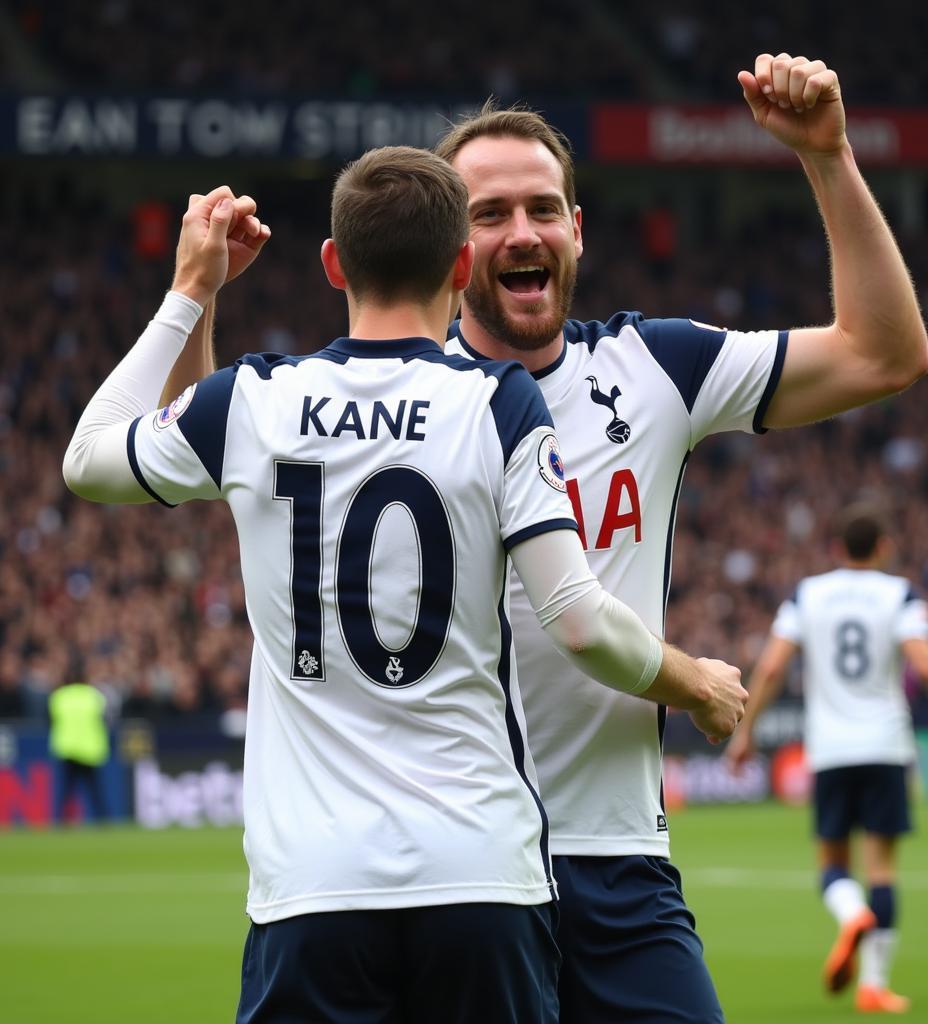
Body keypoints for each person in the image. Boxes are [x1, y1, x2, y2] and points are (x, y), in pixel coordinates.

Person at [63, 148, 747, 1024]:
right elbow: (576, 619)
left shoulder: (254, 402)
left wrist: (192, 292)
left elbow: (90, 456)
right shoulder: (501, 403)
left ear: (332, 264)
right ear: (462, 266)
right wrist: (694, 683)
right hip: (481, 872)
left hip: (314, 886)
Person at [433, 53, 928, 1023]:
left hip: (618, 864)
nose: (521, 230)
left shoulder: (654, 365)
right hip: (456, 871)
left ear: (577, 231)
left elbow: (885, 353)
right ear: (447, 246)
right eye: (487, 214)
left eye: (542, 208)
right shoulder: (395, 400)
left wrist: (828, 158)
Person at [724, 505, 928, 1013]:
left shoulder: (807, 594)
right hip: (885, 744)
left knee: (832, 866)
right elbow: (926, 664)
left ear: (837, 548)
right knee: (882, 868)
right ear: (883, 546)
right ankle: (874, 985)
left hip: (831, 749)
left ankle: (850, 914)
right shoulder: (899, 594)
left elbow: (772, 665)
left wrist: (745, 730)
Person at [49, 678, 111, 822]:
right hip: (89, 750)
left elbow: (51, 720)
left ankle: (60, 820)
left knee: (66, 789)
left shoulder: (60, 696)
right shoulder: (94, 696)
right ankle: (103, 821)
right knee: (95, 790)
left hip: (68, 749)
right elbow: (106, 720)